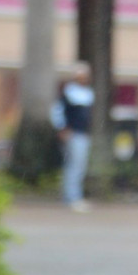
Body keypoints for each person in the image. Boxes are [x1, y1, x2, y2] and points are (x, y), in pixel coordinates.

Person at [50, 64, 95, 211]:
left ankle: (73, 195)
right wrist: (62, 128)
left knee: (79, 166)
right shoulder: (68, 93)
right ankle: (72, 197)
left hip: (83, 134)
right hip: (73, 133)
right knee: (74, 165)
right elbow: (57, 111)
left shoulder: (87, 93)